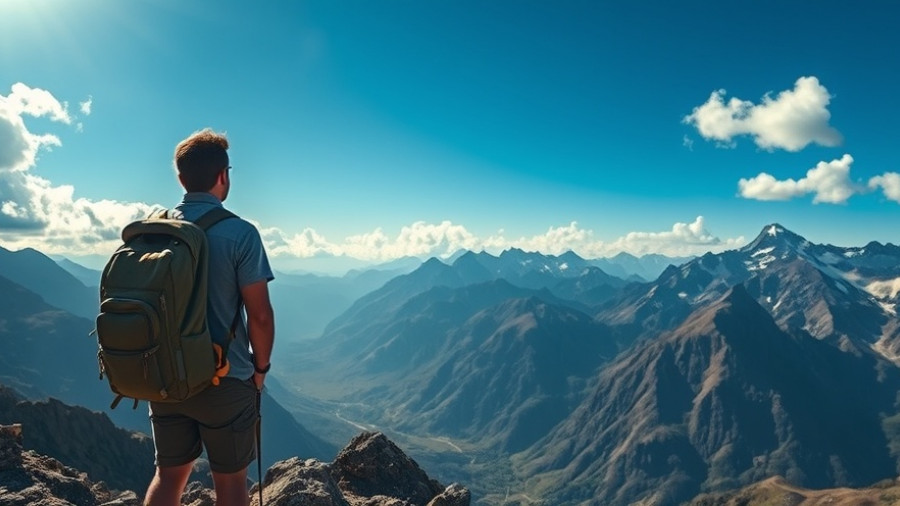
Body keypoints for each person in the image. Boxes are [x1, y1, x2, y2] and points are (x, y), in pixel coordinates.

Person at [144, 128, 275, 506]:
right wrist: (260, 369)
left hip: (165, 378)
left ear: (181, 178)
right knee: (232, 485)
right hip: (225, 380)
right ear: (223, 176)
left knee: (168, 478)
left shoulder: (155, 231)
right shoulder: (240, 234)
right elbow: (260, 316)